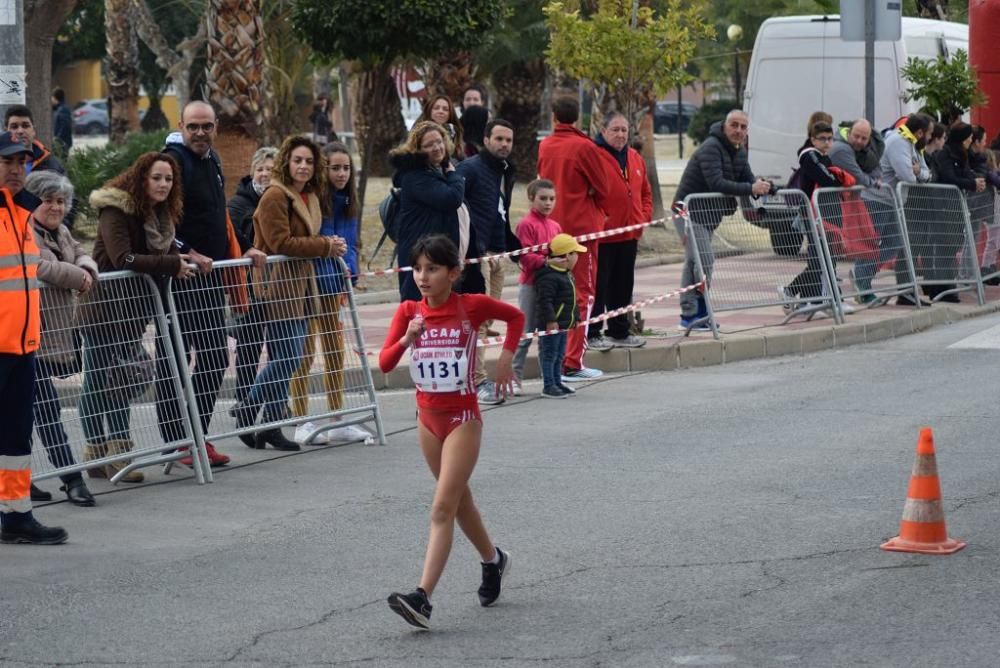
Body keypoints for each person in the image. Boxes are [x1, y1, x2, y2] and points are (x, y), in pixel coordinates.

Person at [380, 235, 524, 630]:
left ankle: (422, 598)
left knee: (442, 508)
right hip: (427, 420)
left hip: (463, 419)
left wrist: (506, 357)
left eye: (433, 269)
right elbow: (386, 362)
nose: (423, 277)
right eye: (418, 269)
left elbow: (516, 317)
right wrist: (408, 337)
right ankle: (494, 561)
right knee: (460, 504)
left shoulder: (470, 306)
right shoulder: (409, 311)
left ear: (454, 272)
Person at [160, 101, 265, 466]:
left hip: (211, 281)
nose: (201, 133)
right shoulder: (171, 162)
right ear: (181, 126)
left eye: (207, 126)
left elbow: (219, 216)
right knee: (172, 360)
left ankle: (196, 436)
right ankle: (178, 442)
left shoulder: (213, 160)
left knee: (216, 356)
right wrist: (187, 251)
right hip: (179, 279)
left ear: (216, 126)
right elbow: (158, 221)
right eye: (194, 127)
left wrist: (247, 246)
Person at [80, 152, 192, 484]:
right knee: (99, 382)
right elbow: (123, 257)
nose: (162, 184)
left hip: (131, 311)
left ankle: (116, 454)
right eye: (156, 177)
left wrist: (184, 257)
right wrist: (172, 264)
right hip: (103, 311)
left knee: (122, 381)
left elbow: (162, 252)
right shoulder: (117, 210)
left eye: (168, 179)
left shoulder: (160, 214)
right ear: (141, 177)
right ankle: (102, 454)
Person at [234, 135, 347, 451]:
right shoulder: (275, 195)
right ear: (287, 161)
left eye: (309, 161)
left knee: (290, 356)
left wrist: (324, 246)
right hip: (279, 285)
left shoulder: (308, 195)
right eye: (297, 160)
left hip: (302, 285)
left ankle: (270, 424)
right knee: (290, 355)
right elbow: (280, 242)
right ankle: (248, 405)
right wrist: (325, 246)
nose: (303, 166)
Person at [0, 131, 68, 545]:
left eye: (21, 163)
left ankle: (17, 515)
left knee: (16, 438)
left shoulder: (24, 213)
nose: (15, 169)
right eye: (7, 162)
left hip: (22, 347)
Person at [289, 141, 369, 445]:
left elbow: (349, 242)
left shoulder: (349, 201)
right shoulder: (312, 199)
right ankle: (301, 419)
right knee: (305, 353)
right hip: (309, 287)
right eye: (335, 167)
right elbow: (318, 241)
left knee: (335, 351)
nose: (341, 173)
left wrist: (349, 270)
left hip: (335, 287)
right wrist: (334, 259)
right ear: (323, 169)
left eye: (346, 168)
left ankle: (337, 417)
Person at [25, 171, 97, 506]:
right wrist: (78, 276)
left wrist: (87, 268)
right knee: (47, 410)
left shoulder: (60, 231)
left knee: (22, 415)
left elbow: (81, 251)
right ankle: (72, 479)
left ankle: (16, 482)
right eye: (48, 200)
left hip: (47, 334)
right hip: (23, 334)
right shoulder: (25, 231)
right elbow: (38, 266)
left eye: (60, 201)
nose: (55, 207)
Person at [674, 109, 771, 329]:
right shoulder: (711, 147)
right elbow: (717, 183)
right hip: (688, 212)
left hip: (708, 215)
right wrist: (750, 187)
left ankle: (697, 313)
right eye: (734, 125)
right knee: (702, 260)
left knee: (695, 262)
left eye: (743, 127)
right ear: (724, 125)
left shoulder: (739, 150)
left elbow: (748, 177)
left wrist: (761, 186)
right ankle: (691, 314)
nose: (738, 130)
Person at [537, 95, 611, 380]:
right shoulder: (585, 146)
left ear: (554, 117)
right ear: (576, 118)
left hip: (553, 229)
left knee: (553, 294)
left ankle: (557, 360)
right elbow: (603, 187)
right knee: (583, 294)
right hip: (581, 231)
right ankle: (572, 361)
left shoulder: (545, 145)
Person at [456, 119, 516, 405]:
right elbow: (458, 212)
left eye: (509, 140)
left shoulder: (503, 171)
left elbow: (499, 214)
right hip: (475, 257)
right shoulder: (469, 169)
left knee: (486, 320)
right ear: (486, 139)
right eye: (499, 139)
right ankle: (476, 381)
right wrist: (470, 255)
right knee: (476, 322)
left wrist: (512, 250)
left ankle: (467, 375)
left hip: (495, 255)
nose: (504, 144)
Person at [590, 112, 652, 349]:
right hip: (604, 236)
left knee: (623, 286)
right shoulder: (594, 155)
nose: (620, 134)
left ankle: (619, 331)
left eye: (624, 130)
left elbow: (645, 193)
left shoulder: (635, 157)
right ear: (603, 130)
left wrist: (643, 218)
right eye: (615, 129)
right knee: (599, 285)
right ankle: (592, 332)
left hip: (630, 235)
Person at [781, 120, 855, 312]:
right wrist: (838, 182)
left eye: (830, 139)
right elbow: (826, 179)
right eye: (822, 139)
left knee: (824, 258)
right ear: (812, 139)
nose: (827, 143)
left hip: (824, 213)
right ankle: (824, 299)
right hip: (813, 214)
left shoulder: (822, 156)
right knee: (820, 259)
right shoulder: (810, 156)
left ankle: (806, 296)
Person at [390, 121, 467, 302]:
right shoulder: (416, 176)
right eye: (429, 145)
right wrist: (454, 175)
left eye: (439, 141)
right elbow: (451, 198)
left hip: (437, 251)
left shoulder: (437, 170)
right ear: (418, 149)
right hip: (420, 252)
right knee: (417, 308)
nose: (437, 147)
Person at [227, 146, 277, 408]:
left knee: (279, 346)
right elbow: (241, 235)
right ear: (252, 172)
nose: (265, 174)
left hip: (279, 283)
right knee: (250, 345)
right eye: (260, 169)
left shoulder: (284, 201)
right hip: (250, 285)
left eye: (270, 169)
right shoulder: (238, 203)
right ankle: (243, 397)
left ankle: (274, 399)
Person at [827, 119, 896, 304]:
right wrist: (870, 181)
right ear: (849, 133)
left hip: (871, 199)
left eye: (863, 138)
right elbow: (859, 177)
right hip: (855, 202)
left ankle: (860, 277)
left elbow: (876, 172)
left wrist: (870, 180)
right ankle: (860, 283)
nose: (859, 141)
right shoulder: (842, 149)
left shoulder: (867, 151)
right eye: (856, 136)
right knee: (866, 244)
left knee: (894, 241)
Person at [512, 179, 562, 391]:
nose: (548, 203)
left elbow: (562, 253)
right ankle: (514, 379)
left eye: (552, 199)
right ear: (531, 199)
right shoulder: (526, 225)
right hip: (531, 286)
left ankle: (550, 378)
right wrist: (546, 261)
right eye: (543, 198)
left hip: (552, 288)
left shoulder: (556, 226)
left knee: (548, 334)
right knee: (525, 334)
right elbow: (525, 257)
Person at [928, 123, 987, 302]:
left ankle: (947, 285)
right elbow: (949, 177)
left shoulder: (962, 155)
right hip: (943, 205)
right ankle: (941, 287)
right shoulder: (945, 154)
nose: (970, 140)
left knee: (953, 247)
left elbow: (966, 172)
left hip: (955, 207)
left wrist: (975, 180)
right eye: (968, 138)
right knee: (944, 247)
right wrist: (971, 184)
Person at [880, 113, 934, 305]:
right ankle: (863, 279)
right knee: (893, 246)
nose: (930, 138)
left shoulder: (913, 144)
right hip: (888, 200)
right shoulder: (898, 142)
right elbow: (908, 177)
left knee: (902, 246)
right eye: (929, 133)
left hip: (902, 202)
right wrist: (918, 173)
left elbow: (927, 173)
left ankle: (907, 292)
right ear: (920, 132)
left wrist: (920, 172)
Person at [534, 234, 586, 399]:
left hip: (563, 324)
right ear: (566, 256)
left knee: (560, 354)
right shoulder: (548, 277)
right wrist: (551, 320)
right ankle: (549, 385)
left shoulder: (566, 274)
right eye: (575, 253)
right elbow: (545, 301)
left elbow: (572, 300)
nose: (577, 257)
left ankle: (557, 382)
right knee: (550, 354)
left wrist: (575, 317)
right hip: (552, 325)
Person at [4, 105, 65, 175]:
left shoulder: (52, 166)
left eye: (25, 126)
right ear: (6, 132)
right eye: (14, 127)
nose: (20, 131)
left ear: (33, 131)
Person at [416, 95, 464, 162]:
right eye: (436, 108)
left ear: (450, 114)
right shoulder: (417, 133)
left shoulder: (456, 135)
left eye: (445, 109)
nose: (441, 111)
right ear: (429, 111)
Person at [51, 88, 73, 152]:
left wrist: (57, 139)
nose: (51, 100)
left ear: (55, 98)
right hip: (60, 143)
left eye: (52, 97)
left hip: (62, 144)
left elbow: (65, 126)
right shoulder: (58, 109)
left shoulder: (63, 109)